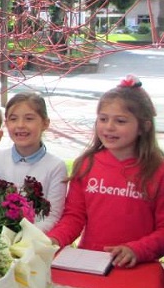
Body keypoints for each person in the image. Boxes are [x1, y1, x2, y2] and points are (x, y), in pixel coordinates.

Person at [48, 76, 164, 268]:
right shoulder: (86, 164)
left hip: (137, 268)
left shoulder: (157, 171)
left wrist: (136, 249)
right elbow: (74, 217)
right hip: (89, 264)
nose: (109, 127)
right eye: (103, 119)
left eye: (120, 121)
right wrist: (53, 240)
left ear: (144, 127)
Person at [0, 92, 67, 232]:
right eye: (13, 119)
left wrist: (23, 238)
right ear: (6, 123)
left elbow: (52, 216)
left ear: (45, 123)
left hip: (36, 240)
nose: (20, 125)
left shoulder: (56, 167)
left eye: (29, 119)